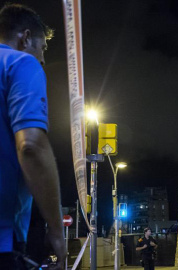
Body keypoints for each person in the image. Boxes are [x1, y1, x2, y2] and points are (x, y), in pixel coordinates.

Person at [0, 4, 66, 269]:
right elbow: (30, 146)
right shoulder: (19, 63)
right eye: (42, 48)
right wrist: (57, 232)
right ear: (25, 38)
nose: (42, 59)